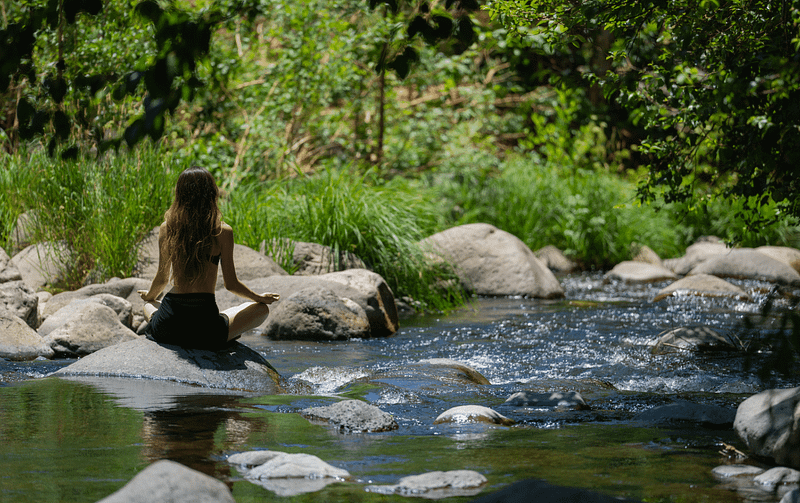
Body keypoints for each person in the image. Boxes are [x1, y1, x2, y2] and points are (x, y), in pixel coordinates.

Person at [138, 166, 279, 350]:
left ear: (180, 195)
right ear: (212, 194)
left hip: (168, 327)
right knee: (261, 309)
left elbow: (162, 278)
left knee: (148, 305)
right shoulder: (223, 231)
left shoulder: (168, 228)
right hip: (207, 329)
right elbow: (231, 284)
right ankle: (228, 333)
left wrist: (149, 296)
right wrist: (259, 297)